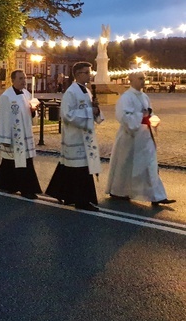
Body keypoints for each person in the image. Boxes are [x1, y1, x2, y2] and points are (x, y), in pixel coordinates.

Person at [105, 72, 176, 206]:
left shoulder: (144, 96)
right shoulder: (126, 97)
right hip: (130, 136)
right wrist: (141, 117)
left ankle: (157, 196)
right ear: (131, 80)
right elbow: (123, 116)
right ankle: (119, 191)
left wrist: (153, 119)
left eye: (144, 78)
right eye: (140, 78)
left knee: (150, 164)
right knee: (125, 165)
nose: (143, 81)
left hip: (144, 137)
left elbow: (149, 113)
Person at [45, 62, 104, 211]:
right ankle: (82, 201)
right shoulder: (70, 92)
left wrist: (96, 111)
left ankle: (62, 192)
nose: (89, 75)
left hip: (85, 136)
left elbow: (90, 110)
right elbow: (66, 115)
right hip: (75, 137)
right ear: (77, 74)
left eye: (89, 72)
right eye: (86, 72)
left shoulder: (87, 91)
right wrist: (89, 113)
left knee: (74, 168)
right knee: (79, 169)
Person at [0, 70, 42, 199]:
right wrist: (4, 138)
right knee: (20, 162)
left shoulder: (26, 94)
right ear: (12, 80)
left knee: (14, 162)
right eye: (20, 78)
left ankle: (5, 183)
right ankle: (27, 189)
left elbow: (30, 115)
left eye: (24, 78)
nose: (23, 81)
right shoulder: (6, 96)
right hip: (14, 135)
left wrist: (33, 111)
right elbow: (3, 118)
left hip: (25, 134)